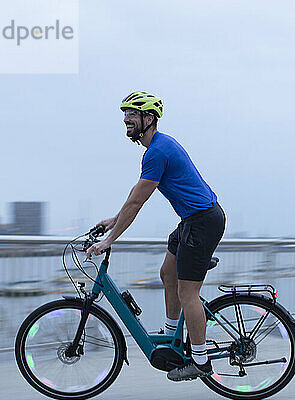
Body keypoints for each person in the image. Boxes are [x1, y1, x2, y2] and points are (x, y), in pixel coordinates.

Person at [85, 91, 226, 381]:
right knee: (167, 272)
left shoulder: (158, 151)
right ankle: (172, 333)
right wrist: (113, 220)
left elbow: (138, 202)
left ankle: (200, 362)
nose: (126, 119)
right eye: (124, 114)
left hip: (202, 223)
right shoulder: (156, 149)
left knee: (189, 294)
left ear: (149, 119)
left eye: (132, 114)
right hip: (192, 220)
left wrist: (109, 241)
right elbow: (135, 194)